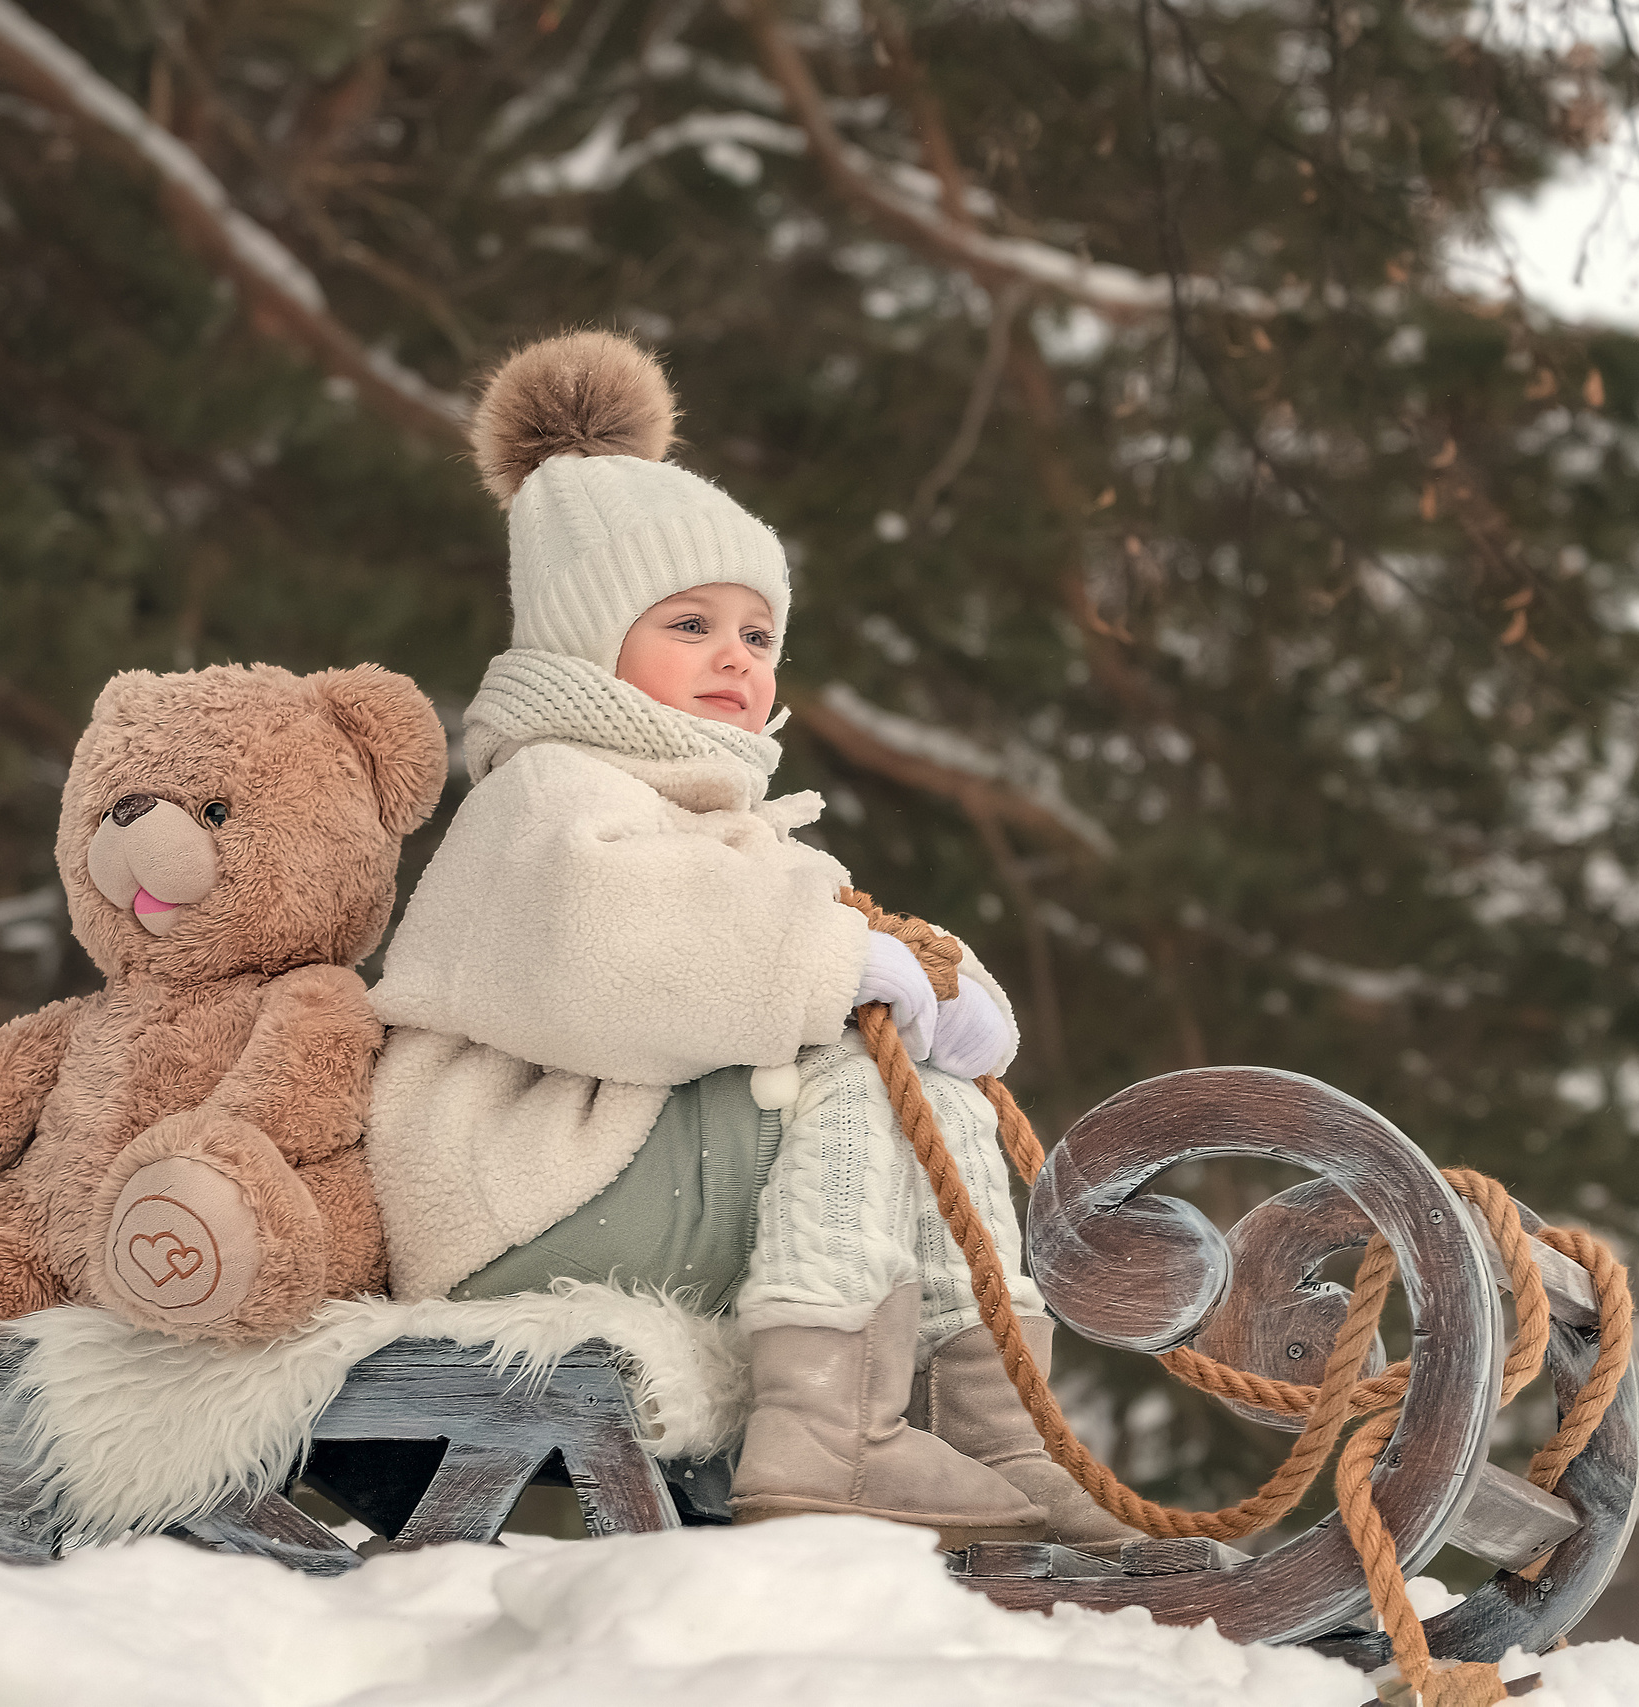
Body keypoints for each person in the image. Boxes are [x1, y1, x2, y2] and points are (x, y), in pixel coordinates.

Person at [366, 331, 1133, 1549]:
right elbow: (611, 953)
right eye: (689, 624)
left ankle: (1004, 1429)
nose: (735, 656)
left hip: (626, 1183)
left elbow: (818, 926)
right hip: (508, 1198)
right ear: (585, 639)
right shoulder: (549, 793)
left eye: (757, 633)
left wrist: (939, 984)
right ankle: (830, 1435)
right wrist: (843, 974)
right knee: (843, 1072)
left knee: (933, 1094)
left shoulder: (717, 817)